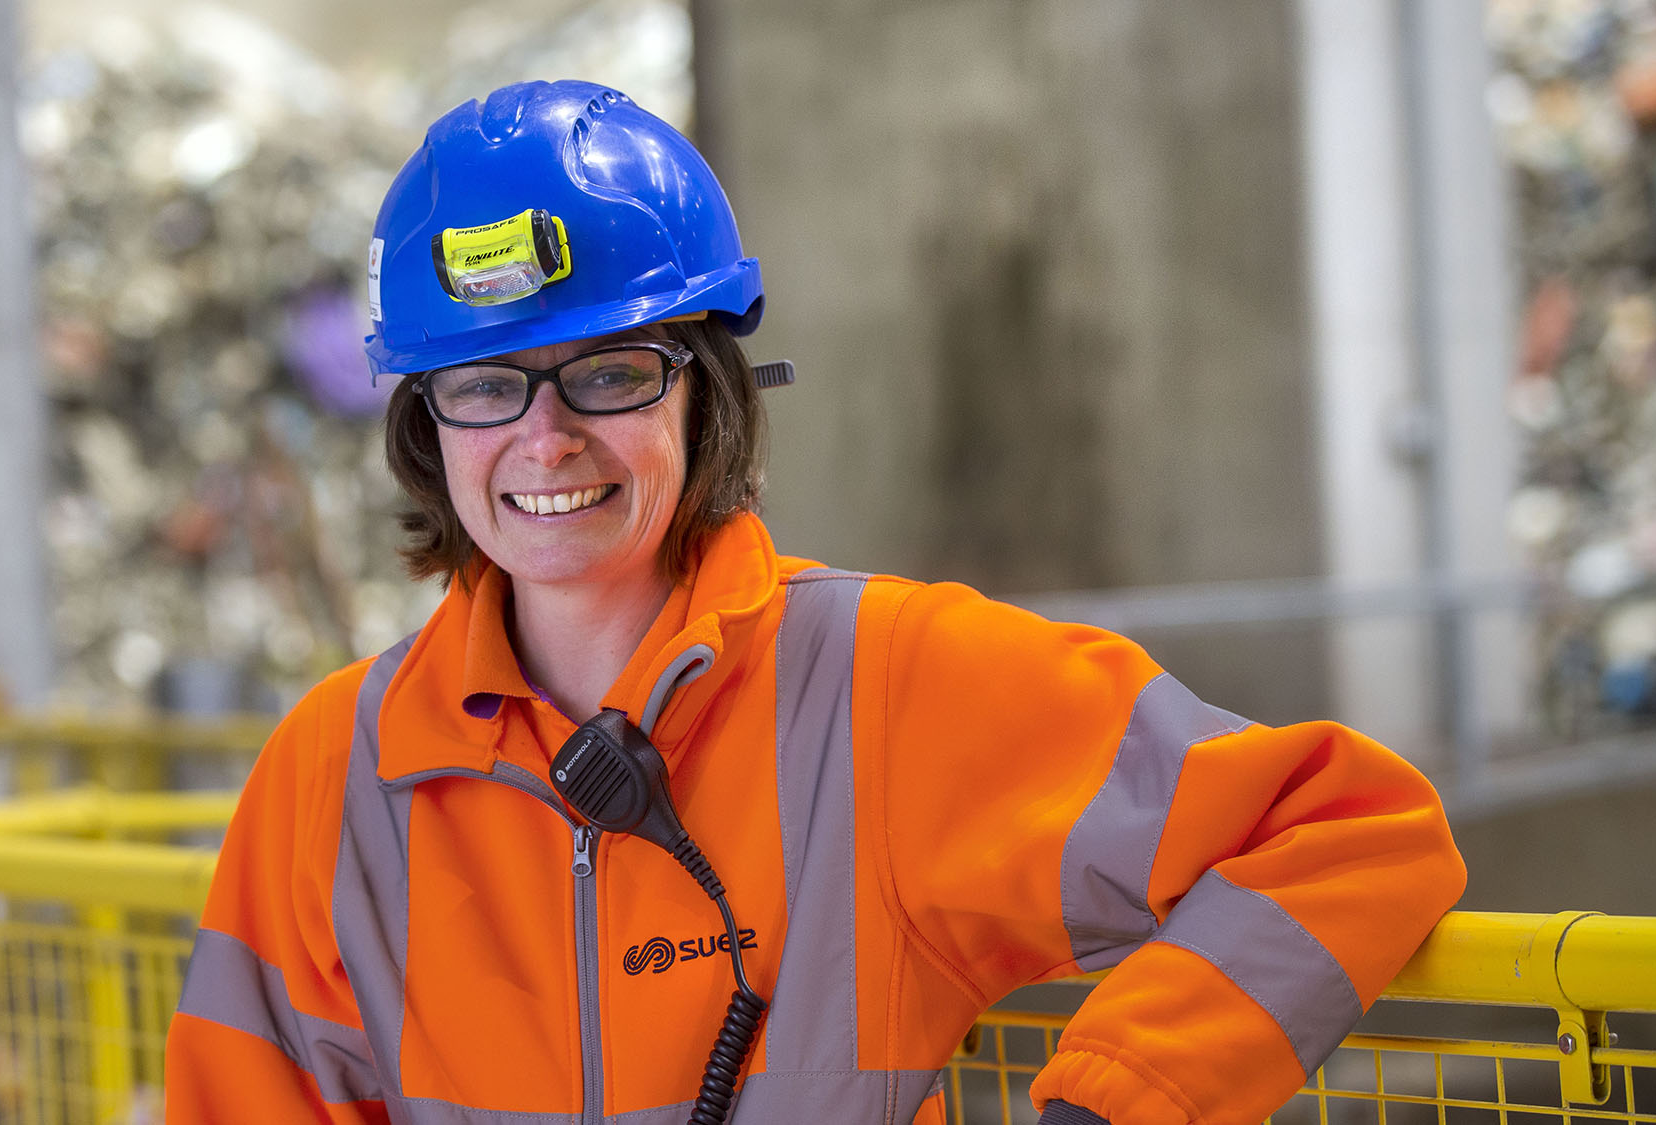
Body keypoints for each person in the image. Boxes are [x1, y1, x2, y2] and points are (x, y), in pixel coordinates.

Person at [165, 80, 1465, 1125]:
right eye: (487, 386)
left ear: (704, 390)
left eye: (610, 373)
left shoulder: (884, 684)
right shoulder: (332, 781)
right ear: (426, 427)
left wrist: (1119, 1098)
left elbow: (1352, 828)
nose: (545, 438)